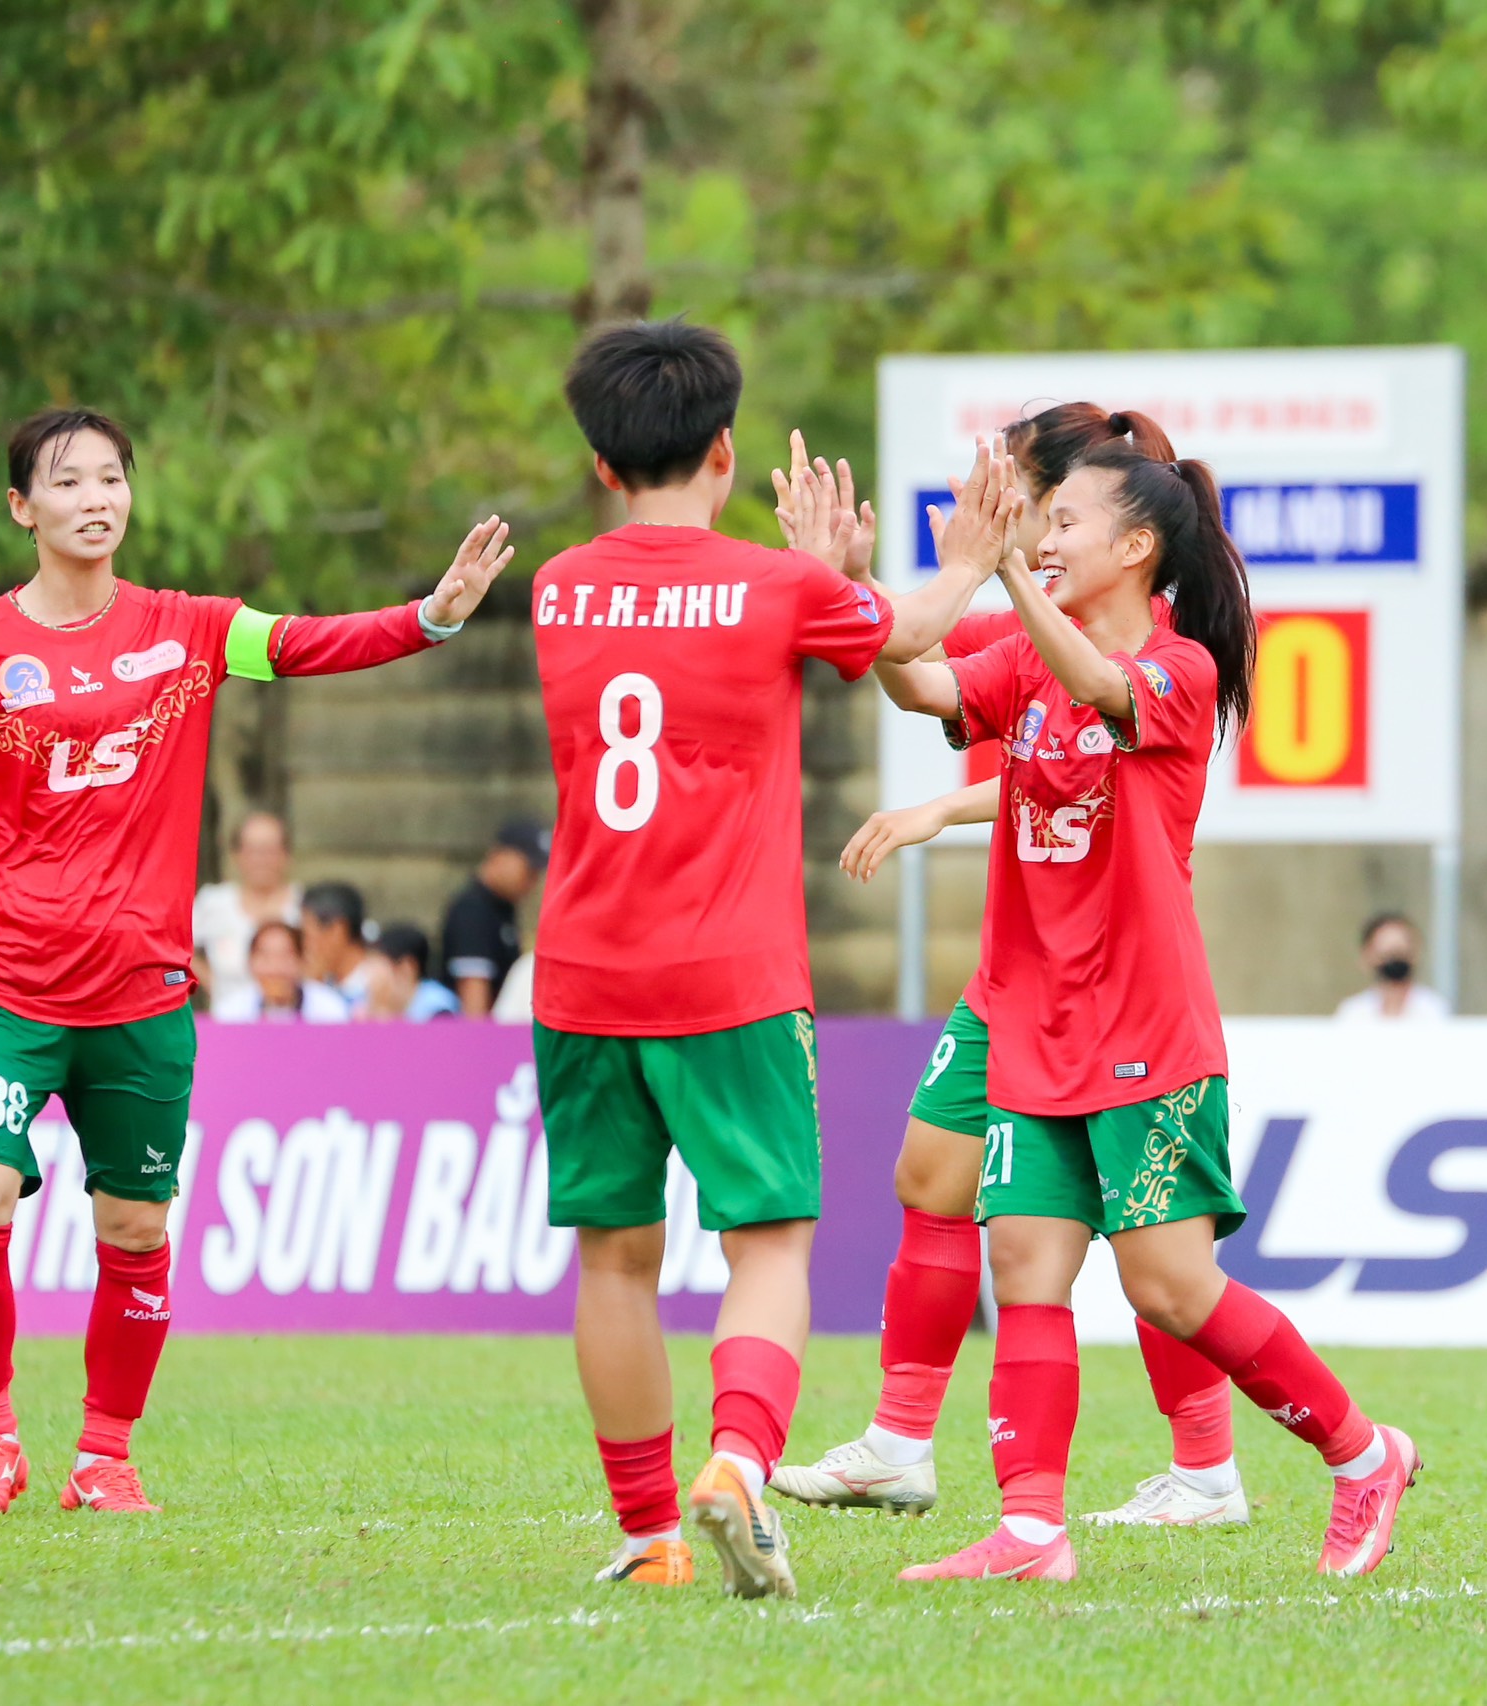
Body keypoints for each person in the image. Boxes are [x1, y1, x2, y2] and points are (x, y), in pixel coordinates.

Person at [0, 405, 512, 1522]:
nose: (97, 496)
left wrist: (429, 617)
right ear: (21, 507)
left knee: (134, 1227)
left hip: (141, 993)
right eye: (69, 480)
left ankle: (104, 1454)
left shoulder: (188, 626)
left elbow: (304, 642)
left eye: (113, 477)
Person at [873, 441, 1420, 1583]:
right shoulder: (1028, 657)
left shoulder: (1181, 670)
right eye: (1044, 518)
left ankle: (1363, 1451)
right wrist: (846, 585)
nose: (1049, 533)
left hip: (1143, 1032)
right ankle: (1031, 1529)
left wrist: (1005, 571)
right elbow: (920, 679)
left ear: (1136, 547)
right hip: (1033, 1021)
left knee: (1167, 1286)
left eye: (1066, 519)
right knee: (1024, 1261)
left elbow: (1097, 686)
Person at [529, 318, 1009, 1597]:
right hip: (728, 975)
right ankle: (739, 1462)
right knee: (769, 1244)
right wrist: (961, 559)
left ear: (599, 460)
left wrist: (820, 583)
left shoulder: (559, 584)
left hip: (579, 974)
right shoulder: (772, 586)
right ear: (726, 449)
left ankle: (646, 1537)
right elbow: (903, 633)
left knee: (614, 1257)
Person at [777, 405, 1247, 1530]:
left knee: (1153, 1249)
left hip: (1110, 983)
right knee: (932, 1177)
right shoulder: (1031, 622)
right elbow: (919, 668)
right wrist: (844, 582)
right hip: (1015, 971)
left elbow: (1092, 738)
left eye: (1033, 504)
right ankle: (916, 1449)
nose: (1020, 526)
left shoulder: (1148, 653)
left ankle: (1217, 1461)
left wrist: (942, 803)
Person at [190, 810, 298, 1008]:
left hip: (292, 1021)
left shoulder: (303, 904)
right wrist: (211, 983)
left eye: (269, 850)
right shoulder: (214, 902)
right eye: (253, 850)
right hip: (228, 1020)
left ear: (286, 854)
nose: (261, 860)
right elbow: (178, 946)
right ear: (237, 855)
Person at [440, 820, 545, 1015]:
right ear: (500, 855)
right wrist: (482, 1043)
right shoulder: (473, 910)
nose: (533, 879)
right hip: (484, 1038)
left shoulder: (503, 909)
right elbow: (473, 1003)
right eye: (528, 868)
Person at [1334, 912, 1452, 1021]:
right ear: (1367, 957)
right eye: (1386, 954)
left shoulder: (1433, 1010)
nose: (1394, 961)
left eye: (1400, 952)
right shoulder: (1353, 1014)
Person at [298, 881, 382, 1022]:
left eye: (307, 935)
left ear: (337, 930)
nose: (304, 946)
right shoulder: (317, 986)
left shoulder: (379, 986)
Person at [207, 921, 305, 1023]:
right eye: (266, 958)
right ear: (250, 962)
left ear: (301, 960)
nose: (275, 968)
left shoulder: (321, 1010)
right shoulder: (229, 1013)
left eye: (285, 956)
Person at [368, 922, 459, 1022]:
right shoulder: (368, 1005)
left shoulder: (439, 1009)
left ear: (406, 968)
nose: (371, 977)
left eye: (376, 966)